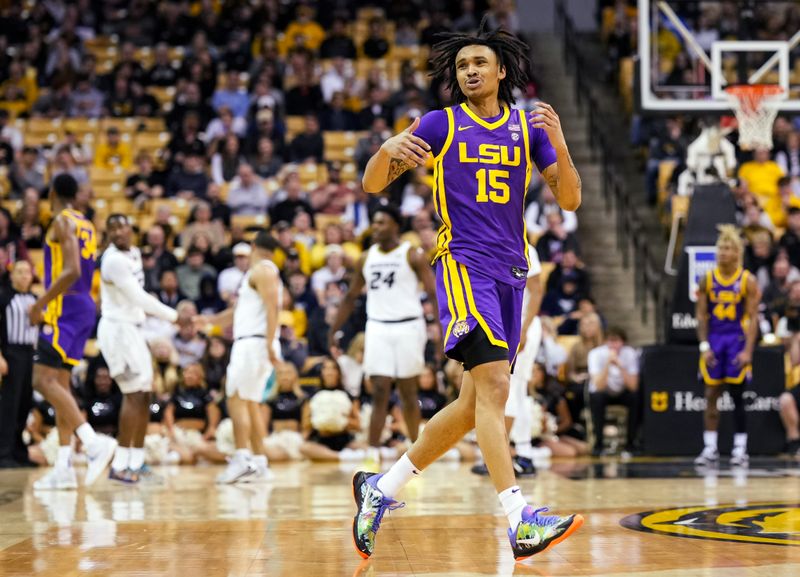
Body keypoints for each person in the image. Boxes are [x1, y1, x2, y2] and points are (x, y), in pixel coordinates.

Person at [353, 20, 583, 561]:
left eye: (479, 63)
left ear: (501, 71)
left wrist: (562, 144)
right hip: (462, 266)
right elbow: (371, 183)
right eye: (462, 66)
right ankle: (519, 518)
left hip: (511, 273)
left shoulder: (527, 128)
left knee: (469, 404)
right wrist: (386, 149)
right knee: (497, 390)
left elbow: (569, 200)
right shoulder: (440, 123)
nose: (470, 71)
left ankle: (379, 490)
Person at [28, 174, 117, 490]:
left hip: (64, 307)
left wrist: (40, 303)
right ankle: (63, 465)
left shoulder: (61, 222)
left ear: (51, 193)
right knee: (61, 385)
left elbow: (71, 271)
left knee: (41, 379)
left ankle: (94, 443)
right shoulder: (86, 223)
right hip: (84, 306)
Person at [330, 203, 437, 463]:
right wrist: (335, 329)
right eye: (374, 222)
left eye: (381, 223)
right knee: (379, 390)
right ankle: (373, 452)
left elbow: (434, 293)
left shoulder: (412, 254)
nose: (376, 227)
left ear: (396, 226)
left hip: (408, 326)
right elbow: (351, 295)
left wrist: (443, 330)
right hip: (377, 326)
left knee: (408, 392)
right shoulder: (367, 257)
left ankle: (416, 454)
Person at [98, 215, 179, 483]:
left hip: (134, 329)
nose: (119, 231)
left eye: (123, 226)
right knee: (133, 395)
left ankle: (137, 461)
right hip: (118, 329)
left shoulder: (133, 253)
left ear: (132, 229)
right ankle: (120, 465)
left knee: (145, 395)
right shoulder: (112, 260)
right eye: (113, 228)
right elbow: (138, 297)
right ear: (108, 234)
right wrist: (175, 317)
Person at [197, 232, 282, 484]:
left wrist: (268, 343)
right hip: (255, 342)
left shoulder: (263, 271)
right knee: (251, 402)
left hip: (253, 343)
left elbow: (272, 307)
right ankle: (259, 461)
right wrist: (210, 321)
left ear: (254, 246)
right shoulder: (258, 273)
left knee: (235, 397)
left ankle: (242, 458)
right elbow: (237, 312)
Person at [694, 225, 760, 467]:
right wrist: (703, 345)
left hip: (736, 340)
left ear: (737, 252)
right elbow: (701, 316)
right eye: (720, 248)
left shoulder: (747, 280)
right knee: (711, 393)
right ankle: (710, 448)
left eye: (728, 248)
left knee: (737, 396)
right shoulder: (707, 279)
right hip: (714, 340)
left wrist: (748, 352)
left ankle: (740, 449)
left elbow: (753, 318)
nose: (722, 252)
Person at [0, 261, 39, 468]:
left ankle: (18, 451)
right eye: (20, 272)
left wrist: (37, 312)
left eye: (28, 272)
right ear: (12, 275)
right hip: (10, 354)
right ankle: (3, 453)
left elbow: (39, 325)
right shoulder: (4, 297)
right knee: (9, 404)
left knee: (25, 403)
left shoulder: (35, 299)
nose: (25, 276)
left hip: (30, 354)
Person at [587, 326, 639, 456]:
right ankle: (598, 444)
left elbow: (633, 386)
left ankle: (631, 443)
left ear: (623, 342)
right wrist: (608, 364)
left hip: (622, 391)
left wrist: (620, 366)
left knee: (636, 397)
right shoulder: (595, 354)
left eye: (617, 341)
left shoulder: (630, 353)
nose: (613, 345)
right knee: (597, 398)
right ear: (605, 342)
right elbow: (598, 386)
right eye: (610, 340)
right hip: (603, 391)